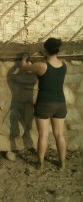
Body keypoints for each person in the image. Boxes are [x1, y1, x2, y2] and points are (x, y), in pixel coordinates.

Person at [20, 37, 67, 170]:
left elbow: (24, 67)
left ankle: (40, 163)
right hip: (60, 103)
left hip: (44, 103)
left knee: (43, 135)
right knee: (59, 134)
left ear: (46, 50)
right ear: (57, 50)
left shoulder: (42, 65)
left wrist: (24, 57)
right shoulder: (64, 65)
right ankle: (62, 163)